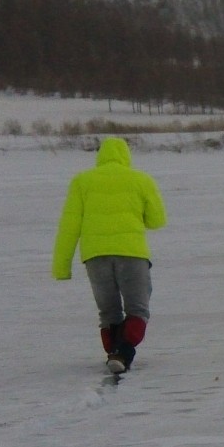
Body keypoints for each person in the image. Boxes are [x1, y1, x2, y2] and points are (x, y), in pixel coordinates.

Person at [52, 137, 166, 375]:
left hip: (95, 255)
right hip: (132, 253)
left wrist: (61, 267)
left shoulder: (82, 182)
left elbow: (69, 226)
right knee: (138, 309)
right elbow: (157, 221)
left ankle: (115, 353)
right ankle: (123, 352)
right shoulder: (141, 180)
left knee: (109, 312)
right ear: (126, 155)